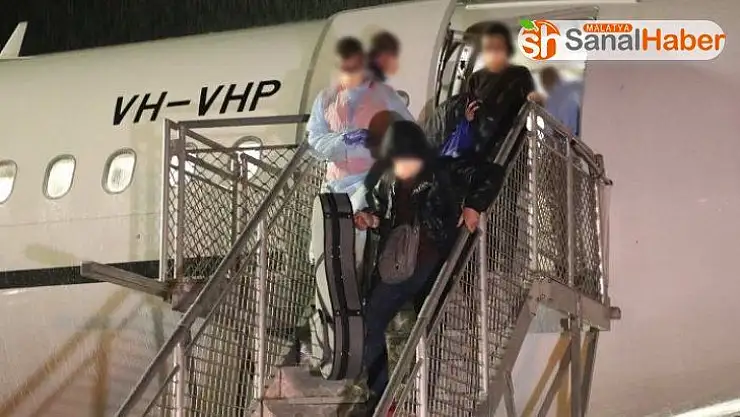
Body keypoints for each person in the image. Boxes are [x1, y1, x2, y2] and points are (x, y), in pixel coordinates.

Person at [304, 36, 412, 375]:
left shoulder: (384, 96)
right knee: (323, 256)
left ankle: (358, 321)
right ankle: (326, 336)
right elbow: (314, 140)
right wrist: (342, 141)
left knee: (358, 252)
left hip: (369, 185)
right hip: (335, 188)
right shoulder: (327, 98)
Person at [355, 120, 460, 413]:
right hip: (398, 264)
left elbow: (450, 215)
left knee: (423, 330)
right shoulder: (390, 181)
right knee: (373, 323)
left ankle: (417, 398)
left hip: (428, 263)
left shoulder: (438, 176)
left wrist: (471, 208)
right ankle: (382, 397)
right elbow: (383, 214)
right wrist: (371, 218)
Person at [539, 66, 583, 137]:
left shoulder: (550, 102)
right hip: (582, 131)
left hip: (569, 136)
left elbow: (549, 129)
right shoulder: (575, 85)